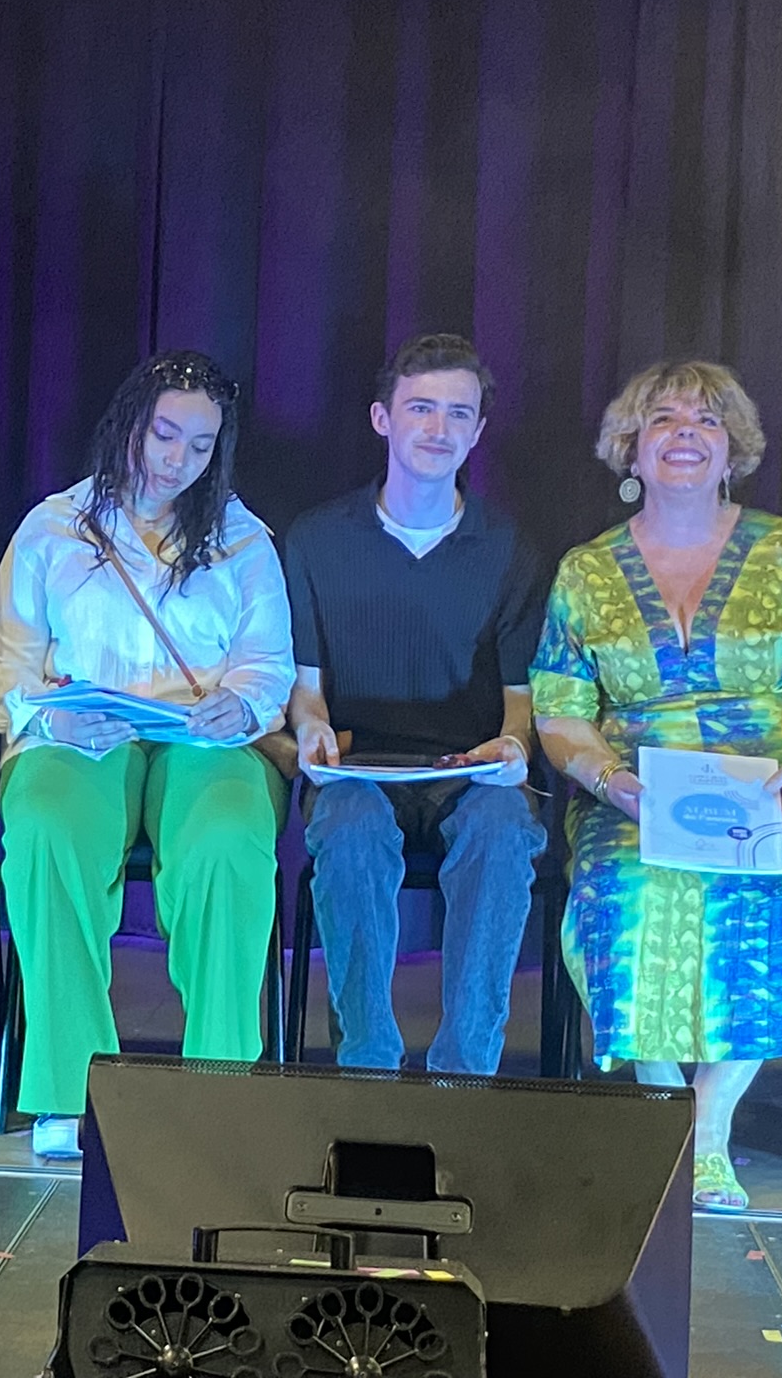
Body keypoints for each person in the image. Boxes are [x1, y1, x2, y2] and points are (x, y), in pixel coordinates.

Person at [531, 360, 782, 1212]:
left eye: (706, 421)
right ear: (632, 449)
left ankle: (710, 1124)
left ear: (733, 451)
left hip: (781, 781)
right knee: (623, 888)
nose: (685, 433)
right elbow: (560, 710)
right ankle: (665, 1114)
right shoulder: (586, 571)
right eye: (664, 419)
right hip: (638, 787)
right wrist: (612, 782)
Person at [0, 351, 294, 1160]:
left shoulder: (242, 537)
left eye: (200, 445)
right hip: (85, 735)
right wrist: (49, 720)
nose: (177, 459)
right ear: (129, 425)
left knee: (227, 840)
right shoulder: (54, 527)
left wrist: (243, 703)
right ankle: (71, 1089)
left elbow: (269, 664)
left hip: (203, 738)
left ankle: (220, 1086)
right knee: (45, 826)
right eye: (164, 435)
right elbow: (7, 668)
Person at [283, 333, 546, 1072]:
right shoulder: (316, 540)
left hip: (468, 769)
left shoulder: (510, 549)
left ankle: (465, 1074)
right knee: (349, 829)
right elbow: (307, 691)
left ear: (478, 431)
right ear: (382, 419)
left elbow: (519, 703)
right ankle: (368, 1064)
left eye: (458, 414)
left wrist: (513, 745)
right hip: (360, 766)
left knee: (504, 831)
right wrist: (311, 731)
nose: (438, 428)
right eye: (421, 408)